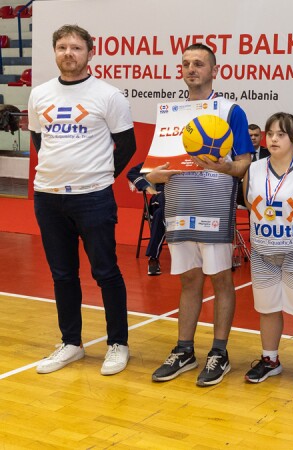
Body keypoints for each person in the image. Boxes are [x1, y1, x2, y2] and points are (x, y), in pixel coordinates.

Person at [30, 24, 137, 376]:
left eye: (76, 47)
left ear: (91, 52)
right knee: (62, 274)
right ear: (55, 51)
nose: (68, 53)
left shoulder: (108, 95)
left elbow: (127, 146)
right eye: (62, 47)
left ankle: (118, 343)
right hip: (48, 197)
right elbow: (39, 140)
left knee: (106, 272)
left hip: (93, 198)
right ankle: (71, 343)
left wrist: (98, 176)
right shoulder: (39, 94)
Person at [145, 43, 253, 387]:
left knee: (221, 279)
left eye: (199, 64)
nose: (191, 69)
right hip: (178, 206)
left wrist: (225, 167)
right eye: (186, 64)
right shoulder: (172, 113)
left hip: (214, 207)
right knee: (189, 280)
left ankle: (219, 352)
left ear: (214, 70)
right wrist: (152, 176)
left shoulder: (230, 110)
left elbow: (243, 164)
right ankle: (184, 350)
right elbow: (157, 165)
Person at [242, 112, 293, 390]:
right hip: (262, 251)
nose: (273, 139)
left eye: (281, 134)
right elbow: (249, 203)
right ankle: (270, 360)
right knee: (267, 309)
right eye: (270, 134)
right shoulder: (253, 169)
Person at [127, 162, 165, 276]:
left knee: (160, 213)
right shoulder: (158, 158)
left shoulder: (191, 159)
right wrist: (147, 187)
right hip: (161, 199)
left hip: (184, 201)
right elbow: (132, 173)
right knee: (160, 213)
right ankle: (153, 258)